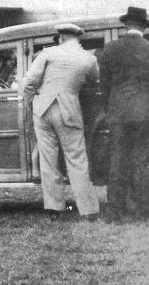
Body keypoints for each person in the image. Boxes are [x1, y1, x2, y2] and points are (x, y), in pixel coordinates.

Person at [22, 23, 101, 221]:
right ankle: (88, 210)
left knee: (48, 160)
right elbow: (95, 81)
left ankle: (54, 209)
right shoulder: (89, 59)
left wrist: (33, 103)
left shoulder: (48, 54)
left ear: (61, 37)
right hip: (69, 110)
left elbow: (29, 83)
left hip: (42, 109)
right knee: (77, 159)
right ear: (77, 38)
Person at [99, 6, 149, 220]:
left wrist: (108, 110)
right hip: (145, 112)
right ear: (144, 27)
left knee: (118, 162)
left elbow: (105, 85)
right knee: (146, 163)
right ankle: (146, 213)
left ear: (126, 25)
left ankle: (114, 213)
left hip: (117, 113)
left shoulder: (110, 49)